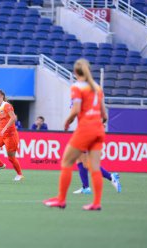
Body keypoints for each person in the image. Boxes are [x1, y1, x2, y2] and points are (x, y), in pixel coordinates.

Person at [43, 58, 107, 211]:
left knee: (66, 162)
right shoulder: (97, 88)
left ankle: (61, 199)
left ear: (75, 72)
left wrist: (67, 121)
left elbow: (76, 109)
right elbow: (104, 115)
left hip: (85, 129)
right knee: (95, 167)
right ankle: (96, 203)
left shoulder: (77, 87)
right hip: (98, 129)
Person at [0, 89, 24, 181]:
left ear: (2, 96)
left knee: (11, 158)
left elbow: (13, 118)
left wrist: (5, 128)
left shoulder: (6, 105)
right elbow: (0, 123)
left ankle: (20, 174)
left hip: (10, 135)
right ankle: (0, 165)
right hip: (0, 133)